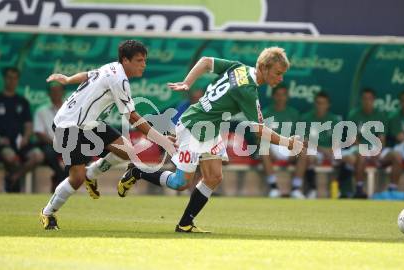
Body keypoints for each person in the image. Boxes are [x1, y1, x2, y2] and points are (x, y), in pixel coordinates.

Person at [116, 47, 304, 233]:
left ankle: (185, 224)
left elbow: (206, 61)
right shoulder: (247, 90)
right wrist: (289, 143)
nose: (280, 79)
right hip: (194, 127)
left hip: (210, 129)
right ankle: (137, 171)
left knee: (214, 177)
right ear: (263, 67)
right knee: (180, 183)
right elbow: (259, 131)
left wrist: (187, 83)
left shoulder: (240, 68)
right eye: (278, 73)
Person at [39, 40, 177, 230]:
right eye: (139, 60)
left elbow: (88, 75)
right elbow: (132, 117)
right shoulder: (119, 80)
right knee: (76, 178)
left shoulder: (112, 67)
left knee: (127, 151)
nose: (143, 64)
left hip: (91, 124)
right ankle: (47, 213)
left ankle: (91, 174)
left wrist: (69, 79)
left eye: (145, 60)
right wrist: (162, 139)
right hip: (68, 125)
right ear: (125, 60)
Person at [0, 67, 44, 192]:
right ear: (4, 79)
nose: (11, 81)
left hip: (20, 143)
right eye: (9, 78)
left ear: (18, 80)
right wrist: (0, 139)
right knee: (11, 157)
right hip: (4, 144)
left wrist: (26, 138)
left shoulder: (22, 101)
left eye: (14, 78)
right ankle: (14, 185)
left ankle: (14, 177)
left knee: (38, 156)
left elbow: (28, 125)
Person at [295, 91, 340, 198]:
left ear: (328, 105)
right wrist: (322, 150)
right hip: (314, 150)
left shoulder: (334, 119)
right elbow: (303, 141)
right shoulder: (305, 118)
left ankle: (339, 189)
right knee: (310, 156)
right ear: (314, 104)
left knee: (343, 158)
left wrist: (330, 151)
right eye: (318, 103)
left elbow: (337, 143)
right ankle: (312, 189)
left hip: (330, 151)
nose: (321, 106)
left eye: (323, 103)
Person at [345, 88, 387, 198]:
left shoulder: (380, 115)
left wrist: (378, 150)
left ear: (374, 100)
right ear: (361, 100)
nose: (367, 101)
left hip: (375, 147)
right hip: (358, 148)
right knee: (361, 154)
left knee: (395, 156)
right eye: (364, 98)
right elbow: (352, 139)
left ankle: (392, 189)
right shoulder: (354, 115)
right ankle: (359, 189)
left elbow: (382, 137)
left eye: (370, 98)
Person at [259, 84, 300, 198]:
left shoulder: (294, 113)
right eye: (278, 95)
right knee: (263, 147)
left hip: (289, 147)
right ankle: (274, 187)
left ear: (287, 97)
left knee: (304, 151)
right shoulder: (265, 113)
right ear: (273, 96)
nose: (280, 98)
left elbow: (299, 136)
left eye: (283, 95)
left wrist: (294, 147)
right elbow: (259, 135)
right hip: (272, 147)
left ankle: (296, 189)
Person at [34, 82, 68, 192]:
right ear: (48, 94)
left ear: (63, 92)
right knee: (48, 153)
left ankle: (58, 178)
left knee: (82, 154)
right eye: (53, 91)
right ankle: (62, 178)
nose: (56, 93)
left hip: (69, 143)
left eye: (58, 90)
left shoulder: (70, 109)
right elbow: (39, 133)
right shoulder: (41, 110)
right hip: (50, 144)